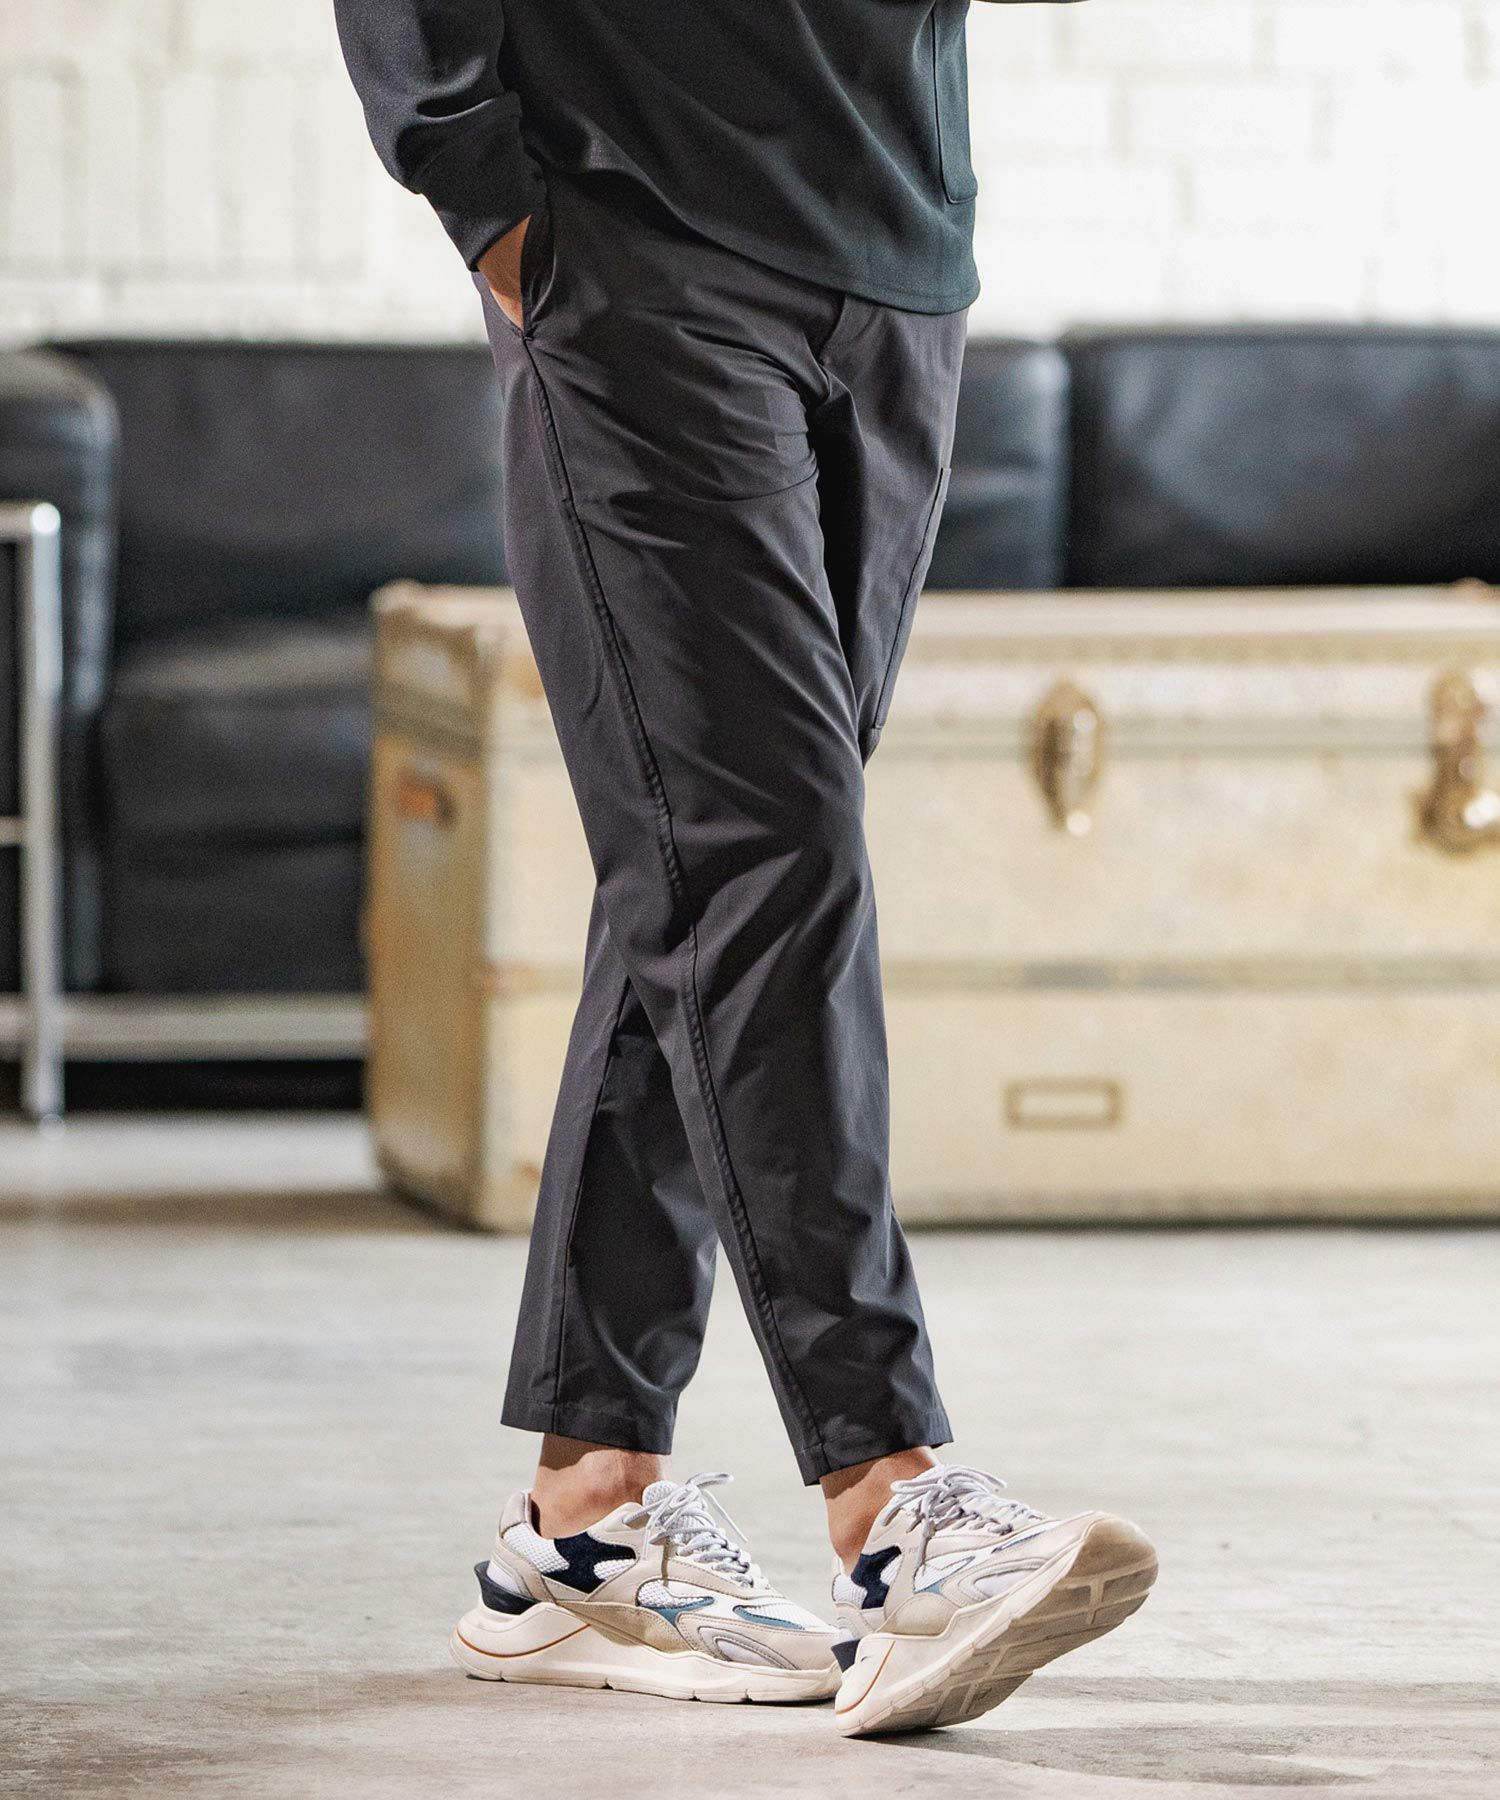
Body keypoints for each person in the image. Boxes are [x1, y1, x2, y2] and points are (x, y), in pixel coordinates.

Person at [333, 0, 1156, 1734]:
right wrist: (483, 183)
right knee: (768, 867)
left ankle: (586, 1519)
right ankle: (890, 1499)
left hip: (896, 253)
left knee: (710, 875)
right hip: (639, 231)